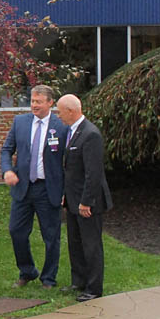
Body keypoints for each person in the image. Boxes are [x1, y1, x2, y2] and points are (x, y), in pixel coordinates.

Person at [0, 85, 66, 289]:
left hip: (48, 189)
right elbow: (6, 149)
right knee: (16, 231)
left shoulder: (61, 127)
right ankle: (27, 271)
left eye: (38, 101)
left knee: (51, 236)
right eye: (32, 101)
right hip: (24, 188)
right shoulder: (20, 122)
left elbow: (69, 160)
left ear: (49, 103)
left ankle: (49, 278)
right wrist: (7, 170)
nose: (34, 105)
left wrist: (65, 190)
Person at [56, 93, 113, 302]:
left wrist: (86, 202)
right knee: (75, 243)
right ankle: (78, 280)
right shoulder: (72, 132)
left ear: (71, 111)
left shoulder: (90, 134)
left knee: (91, 245)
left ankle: (94, 288)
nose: (58, 116)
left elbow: (93, 173)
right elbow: (70, 169)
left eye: (60, 112)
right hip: (72, 199)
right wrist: (66, 196)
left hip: (87, 202)